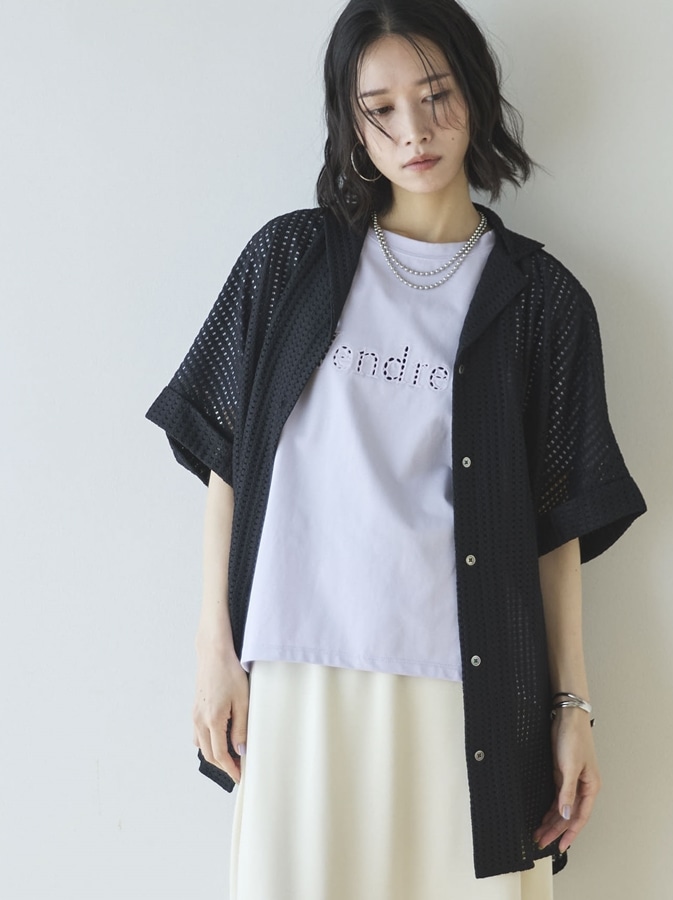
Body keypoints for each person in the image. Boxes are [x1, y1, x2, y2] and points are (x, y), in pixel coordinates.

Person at [146, 1, 646, 897]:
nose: (414, 130)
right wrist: (213, 649)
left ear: (475, 95)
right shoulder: (288, 261)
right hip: (302, 680)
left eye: (436, 94)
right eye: (379, 108)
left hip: (468, 692)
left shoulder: (543, 302)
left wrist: (573, 706)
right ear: (351, 122)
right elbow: (229, 459)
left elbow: (555, 528)